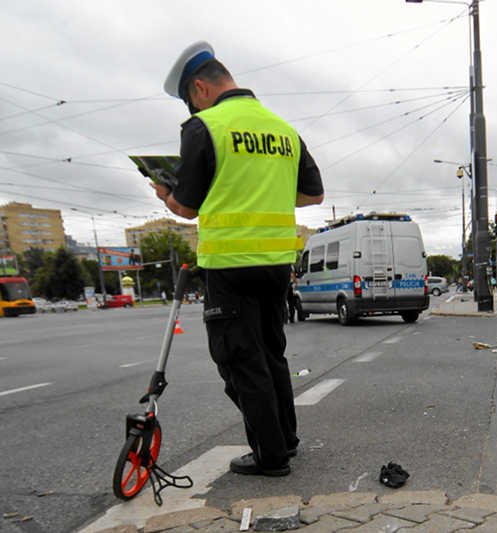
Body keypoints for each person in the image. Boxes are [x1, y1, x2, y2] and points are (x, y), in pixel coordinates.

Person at [153, 42, 324, 477]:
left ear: (199, 88)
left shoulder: (203, 127)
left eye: (191, 100)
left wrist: (165, 194)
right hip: (275, 266)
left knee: (239, 360)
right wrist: (263, 188)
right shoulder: (282, 128)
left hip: (229, 266)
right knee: (271, 354)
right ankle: (286, 439)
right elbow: (313, 194)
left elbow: (188, 207)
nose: (193, 108)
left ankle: (270, 456)